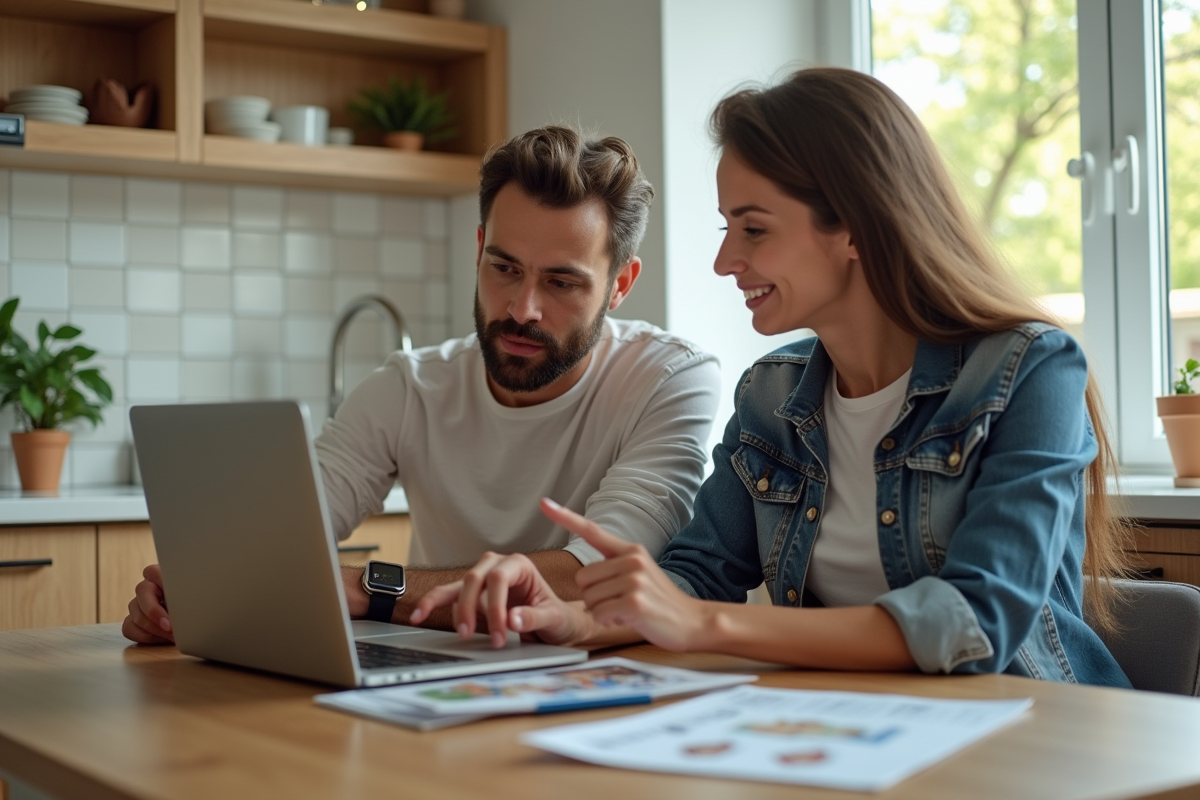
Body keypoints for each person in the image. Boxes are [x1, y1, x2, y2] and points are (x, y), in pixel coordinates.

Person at [414, 68, 1135, 687]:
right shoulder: (772, 394)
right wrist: (569, 617)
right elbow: (697, 573)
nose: (727, 261)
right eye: (728, 227)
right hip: (852, 733)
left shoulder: (1030, 371)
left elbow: (973, 622)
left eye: (753, 229)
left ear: (853, 224)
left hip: (1033, 739)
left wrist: (703, 624)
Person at [121, 126, 721, 646]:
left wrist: (371, 588)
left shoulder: (670, 379)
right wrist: (196, 590)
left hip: (604, 681)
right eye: (504, 268)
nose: (522, 309)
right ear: (480, 247)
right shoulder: (409, 388)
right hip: (442, 663)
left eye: (562, 283)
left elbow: (603, 571)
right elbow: (285, 534)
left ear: (620, 285)